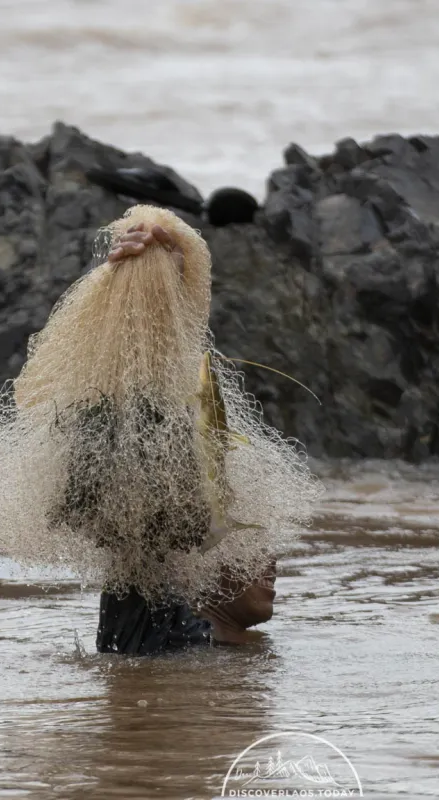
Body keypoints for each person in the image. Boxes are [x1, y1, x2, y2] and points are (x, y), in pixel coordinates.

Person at [92, 221, 277, 655]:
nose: (270, 561)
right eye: (247, 538)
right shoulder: (157, 626)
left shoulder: (251, 651)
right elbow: (140, 423)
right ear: (192, 550)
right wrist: (155, 290)